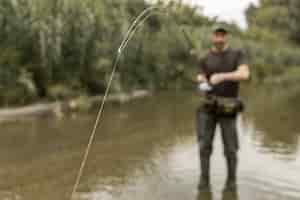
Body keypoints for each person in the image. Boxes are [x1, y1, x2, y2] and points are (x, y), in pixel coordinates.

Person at [195, 25, 250, 191]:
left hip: (228, 108)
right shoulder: (205, 58)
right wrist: (201, 80)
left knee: (231, 149)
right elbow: (200, 77)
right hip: (208, 108)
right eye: (216, 35)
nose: (219, 38)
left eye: (222, 35)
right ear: (212, 37)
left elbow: (245, 74)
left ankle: (231, 183)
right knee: (204, 146)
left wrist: (222, 76)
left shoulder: (237, 54)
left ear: (226, 37)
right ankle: (204, 182)